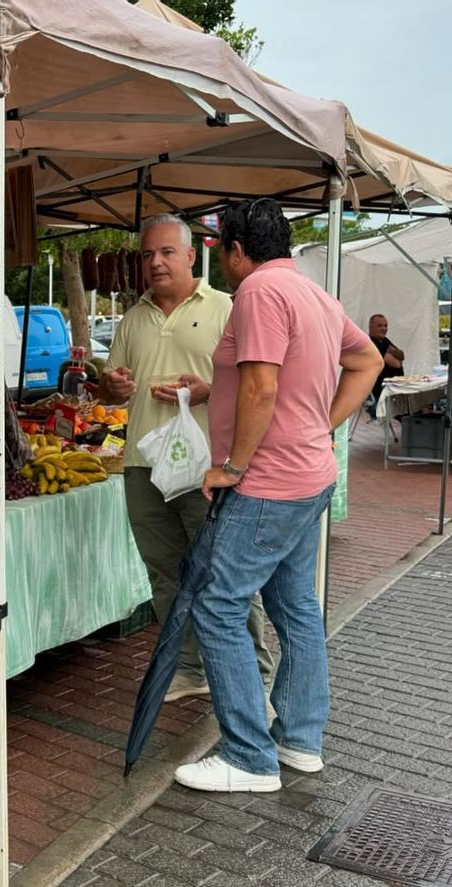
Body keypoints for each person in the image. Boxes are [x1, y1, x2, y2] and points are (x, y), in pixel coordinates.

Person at [175, 198, 382, 793]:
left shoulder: (259, 293)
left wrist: (232, 467)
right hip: (308, 475)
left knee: (217, 605)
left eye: (223, 252)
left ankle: (247, 755)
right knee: (295, 608)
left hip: (268, 481)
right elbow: (363, 361)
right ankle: (300, 741)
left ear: (236, 251)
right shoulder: (313, 294)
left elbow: (264, 387)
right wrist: (323, 425)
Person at [99, 213, 273, 703]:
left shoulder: (227, 308)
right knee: (166, 574)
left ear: (192, 255)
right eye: (147, 254)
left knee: (224, 575)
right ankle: (191, 667)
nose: (155, 262)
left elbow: (254, 387)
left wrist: (208, 393)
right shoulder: (134, 316)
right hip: (142, 465)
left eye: (166, 252)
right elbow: (111, 392)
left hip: (208, 468)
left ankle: (256, 677)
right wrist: (110, 386)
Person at [368, 313, 405, 403]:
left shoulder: (385, 341)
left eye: (385, 326)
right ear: (370, 327)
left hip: (394, 390)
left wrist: (392, 352)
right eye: (379, 326)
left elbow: (402, 355)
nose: (384, 329)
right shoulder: (370, 343)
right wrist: (395, 355)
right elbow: (396, 364)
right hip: (380, 391)